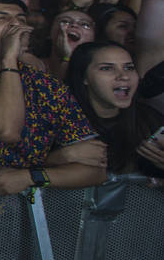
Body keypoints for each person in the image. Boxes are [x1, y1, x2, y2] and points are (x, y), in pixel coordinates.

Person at [0, 0, 108, 194]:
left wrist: (30, 176)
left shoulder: (48, 86)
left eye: (21, 20)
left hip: (31, 210)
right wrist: (9, 59)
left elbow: (96, 169)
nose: (16, 26)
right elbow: (4, 130)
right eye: (1, 18)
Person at [65, 41, 164, 175]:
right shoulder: (59, 120)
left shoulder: (149, 119)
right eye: (107, 68)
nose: (123, 76)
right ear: (84, 77)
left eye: (129, 68)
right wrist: (62, 156)